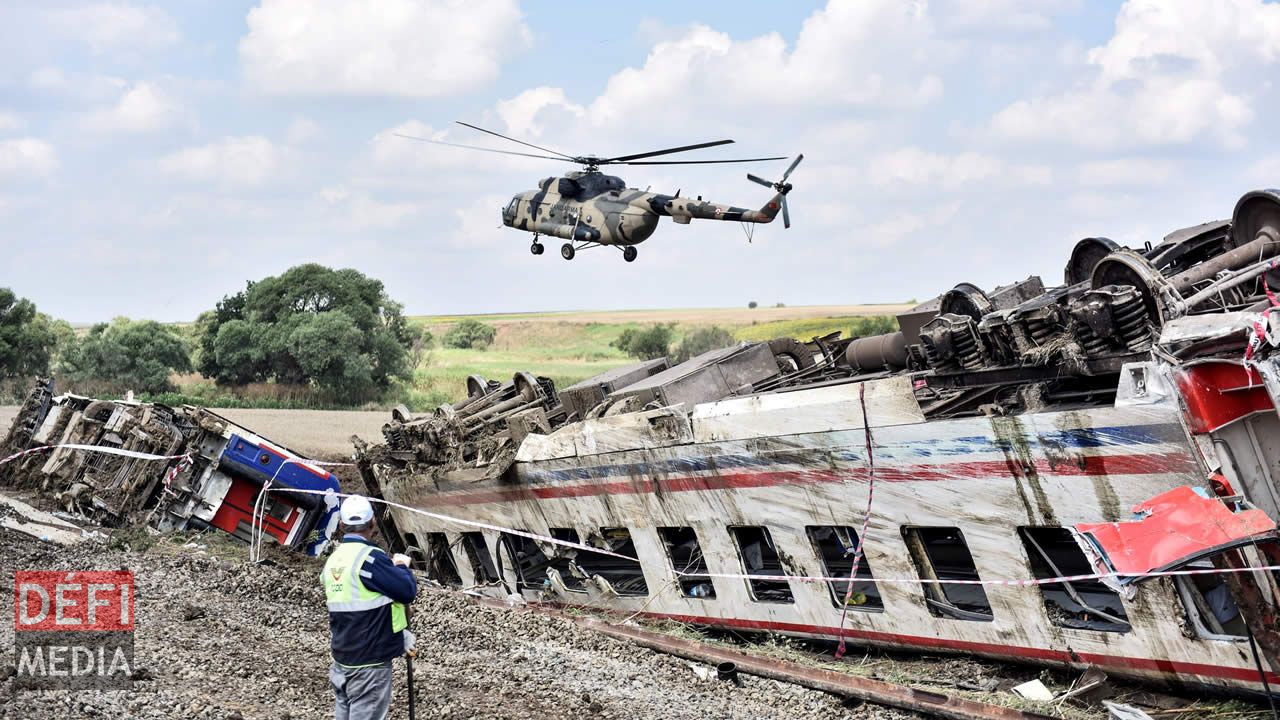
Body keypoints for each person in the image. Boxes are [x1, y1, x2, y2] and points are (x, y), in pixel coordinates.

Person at [322, 495, 418, 720]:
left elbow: (363, 604)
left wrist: (399, 635)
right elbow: (406, 591)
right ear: (373, 523)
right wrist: (402, 567)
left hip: (343, 659)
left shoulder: (334, 561)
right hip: (369, 666)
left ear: (342, 525)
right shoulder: (369, 560)